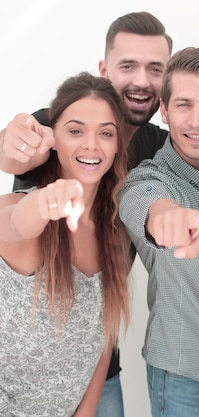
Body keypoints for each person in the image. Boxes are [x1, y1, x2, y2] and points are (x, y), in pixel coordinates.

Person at [0, 12, 172, 416]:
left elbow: (102, 328)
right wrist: (41, 197)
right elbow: (13, 220)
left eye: (155, 69)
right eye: (128, 65)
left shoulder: (156, 155)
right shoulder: (44, 133)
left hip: (91, 383)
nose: (141, 80)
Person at [118, 46, 199, 417]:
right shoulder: (147, 178)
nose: (196, 121)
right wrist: (167, 217)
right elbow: (143, 203)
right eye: (184, 105)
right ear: (164, 109)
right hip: (183, 375)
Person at [0, 72, 130, 416]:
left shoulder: (113, 232)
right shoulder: (19, 204)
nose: (91, 144)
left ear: (117, 145)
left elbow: (101, 339)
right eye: (75, 131)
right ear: (52, 138)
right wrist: (45, 202)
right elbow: (16, 224)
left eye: (105, 133)